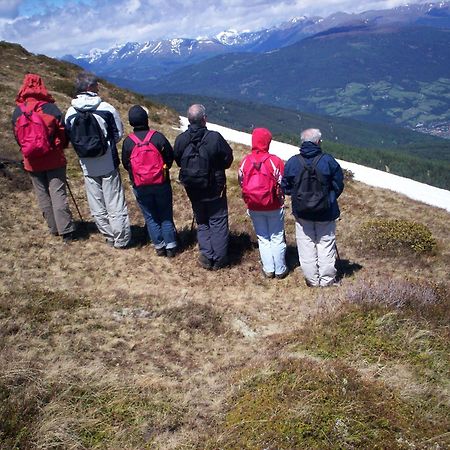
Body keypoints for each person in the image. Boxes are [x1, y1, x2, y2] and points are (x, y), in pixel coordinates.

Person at [65, 71, 131, 249]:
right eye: (95, 85)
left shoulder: (70, 112)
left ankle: (108, 236)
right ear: (89, 88)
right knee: (115, 201)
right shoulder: (106, 108)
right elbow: (118, 133)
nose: (98, 87)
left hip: (87, 164)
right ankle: (122, 239)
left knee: (97, 204)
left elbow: (70, 137)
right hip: (107, 161)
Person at [12, 73, 76, 242]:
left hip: (32, 161)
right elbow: (62, 134)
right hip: (53, 158)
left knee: (42, 195)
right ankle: (66, 231)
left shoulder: (18, 111)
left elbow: (18, 137)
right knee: (58, 193)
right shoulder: (51, 109)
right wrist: (60, 146)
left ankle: (53, 228)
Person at [281, 128, 344, 287]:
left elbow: (285, 187)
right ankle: (327, 280)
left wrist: (299, 197)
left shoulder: (293, 162)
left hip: (302, 213)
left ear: (302, 142)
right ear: (318, 142)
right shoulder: (328, 161)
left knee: (306, 245)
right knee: (325, 244)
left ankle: (312, 280)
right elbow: (338, 184)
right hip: (326, 211)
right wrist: (329, 198)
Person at [174, 104, 233, 270]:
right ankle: (219, 259)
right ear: (204, 119)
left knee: (202, 220)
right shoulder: (214, 138)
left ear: (189, 120)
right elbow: (228, 159)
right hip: (215, 187)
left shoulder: (181, 139)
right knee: (218, 221)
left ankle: (207, 256)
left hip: (193, 188)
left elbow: (178, 160)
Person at [122, 105, 178, 257]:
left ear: (131, 122)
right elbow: (169, 156)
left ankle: (159, 246)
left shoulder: (128, 142)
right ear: (146, 119)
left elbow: (126, 164)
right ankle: (171, 246)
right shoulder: (157, 137)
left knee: (150, 216)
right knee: (165, 214)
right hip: (161, 182)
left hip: (140, 185)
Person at [238, 128, 287, 279]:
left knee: (263, 237)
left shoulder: (245, 161)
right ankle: (280, 269)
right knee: (277, 236)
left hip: (253, 205)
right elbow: (282, 182)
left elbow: (241, 181)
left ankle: (268, 269)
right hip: (273, 205)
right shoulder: (275, 161)